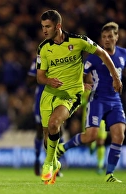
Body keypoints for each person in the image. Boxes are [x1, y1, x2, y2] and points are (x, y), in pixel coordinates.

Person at [36, 10, 122, 185]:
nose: (44, 30)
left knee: (54, 124)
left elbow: (103, 54)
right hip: (49, 94)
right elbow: (40, 77)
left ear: (58, 26)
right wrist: (49, 80)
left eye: (48, 26)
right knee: (48, 136)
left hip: (71, 94)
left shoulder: (79, 41)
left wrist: (115, 76)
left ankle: (48, 164)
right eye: (43, 26)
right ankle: (54, 161)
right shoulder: (43, 47)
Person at [57, 22, 126, 182]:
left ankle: (109, 174)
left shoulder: (123, 54)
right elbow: (79, 74)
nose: (107, 40)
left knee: (119, 135)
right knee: (91, 137)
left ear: (117, 37)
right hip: (97, 100)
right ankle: (62, 148)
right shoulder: (94, 57)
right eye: (104, 37)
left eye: (110, 36)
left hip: (115, 101)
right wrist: (82, 84)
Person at [28, 58, 64, 177]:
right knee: (41, 132)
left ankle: (54, 163)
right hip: (41, 99)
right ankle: (37, 160)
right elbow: (29, 80)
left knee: (58, 131)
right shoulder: (40, 60)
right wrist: (43, 75)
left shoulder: (63, 59)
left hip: (58, 97)